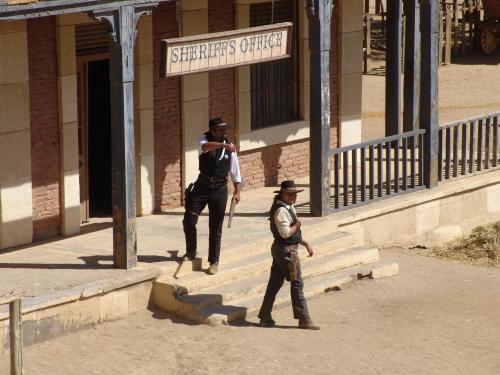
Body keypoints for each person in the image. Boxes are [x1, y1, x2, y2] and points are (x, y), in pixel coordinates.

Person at [182, 117, 241, 275]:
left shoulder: (230, 148)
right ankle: (191, 251)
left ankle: (214, 261)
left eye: (224, 130)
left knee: (215, 228)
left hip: (220, 189)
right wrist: (224, 145)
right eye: (221, 130)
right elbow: (206, 147)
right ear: (213, 130)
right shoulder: (203, 139)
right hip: (202, 186)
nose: (224, 133)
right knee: (189, 220)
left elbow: (235, 171)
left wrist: (237, 191)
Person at [258, 180, 320, 330]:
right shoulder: (281, 210)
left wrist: (305, 243)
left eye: (294, 194)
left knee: (274, 284)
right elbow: (286, 233)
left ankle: (265, 317)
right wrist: (298, 225)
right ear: (282, 194)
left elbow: (292, 233)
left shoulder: (288, 207)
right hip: (286, 252)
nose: (293, 197)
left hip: (282, 250)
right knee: (297, 283)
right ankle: (304, 318)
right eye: (289, 194)